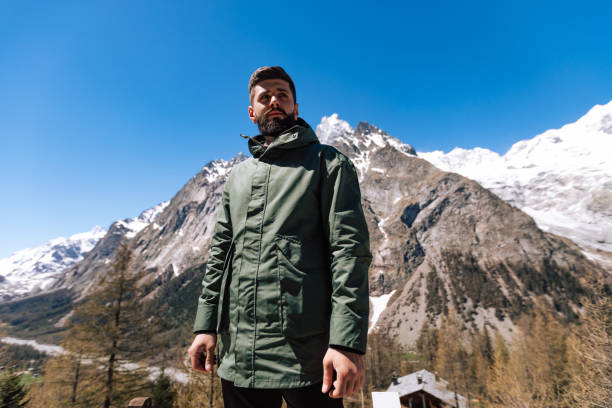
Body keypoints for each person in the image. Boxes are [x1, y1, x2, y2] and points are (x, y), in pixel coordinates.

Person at [189, 66, 371, 408]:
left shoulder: (329, 165)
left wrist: (347, 343)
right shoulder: (237, 178)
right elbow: (220, 257)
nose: (274, 101)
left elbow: (349, 255)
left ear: (296, 108)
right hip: (239, 360)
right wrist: (205, 327)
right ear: (252, 112)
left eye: (282, 95)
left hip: (310, 360)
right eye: (264, 97)